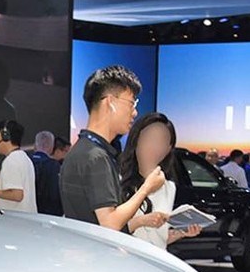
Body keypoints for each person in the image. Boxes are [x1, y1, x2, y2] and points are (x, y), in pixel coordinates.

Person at [60, 65, 166, 232]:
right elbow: (110, 224)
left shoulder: (80, 150)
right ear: (110, 102)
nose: (134, 112)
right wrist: (147, 188)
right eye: (131, 103)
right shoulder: (96, 157)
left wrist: (140, 221)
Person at [119, 113, 203, 249]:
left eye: (162, 141)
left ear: (168, 148)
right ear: (136, 140)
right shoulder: (117, 179)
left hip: (154, 259)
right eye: (150, 139)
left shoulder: (168, 187)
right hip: (126, 257)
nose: (155, 147)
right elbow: (109, 230)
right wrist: (140, 221)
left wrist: (180, 233)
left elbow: (158, 240)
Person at [0, 120, 36, 213]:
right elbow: (3, 189)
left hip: (15, 219)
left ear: (6, 137)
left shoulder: (12, 160)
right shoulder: (23, 158)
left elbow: (17, 195)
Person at [29, 130, 63, 216]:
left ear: (35, 144)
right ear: (52, 147)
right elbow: (54, 192)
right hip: (48, 213)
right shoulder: (54, 165)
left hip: (28, 211)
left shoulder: (27, 161)